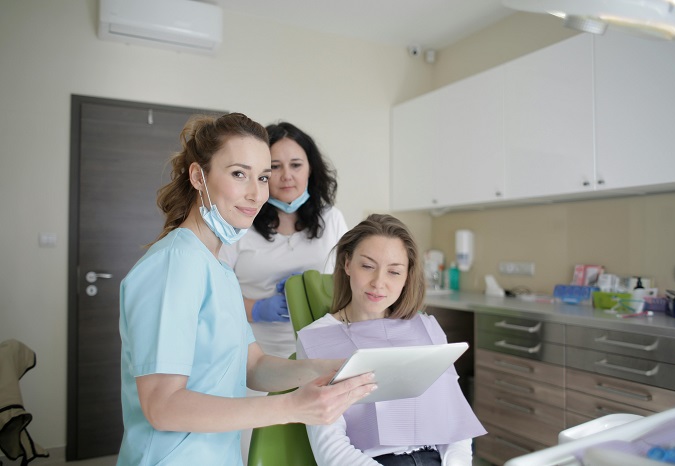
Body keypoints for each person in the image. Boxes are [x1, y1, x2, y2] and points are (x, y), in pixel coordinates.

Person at [117, 112, 375, 466]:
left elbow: (252, 365)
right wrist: (290, 407)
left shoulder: (217, 265)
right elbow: (162, 406)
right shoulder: (175, 264)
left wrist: (330, 370)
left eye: (262, 177)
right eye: (239, 174)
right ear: (198, 176)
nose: (256, 193)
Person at [296, 214, 486, 466]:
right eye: (367, 266)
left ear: (407, 276)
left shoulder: (425, 328)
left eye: (394, 271)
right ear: (347, 264)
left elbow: (455, 424)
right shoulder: (317, 339)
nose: (379, 283)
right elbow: (330, 450)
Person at [220, 121, 348, 359]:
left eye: (296, 165)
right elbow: (214, 295)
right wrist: (256, 309)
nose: (287, 176)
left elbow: (350, 283)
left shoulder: (332, 220)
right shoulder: (238, 224)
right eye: (275, 166)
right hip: (253, 357)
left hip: (320, 354)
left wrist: (318, 287)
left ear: (311, 169)